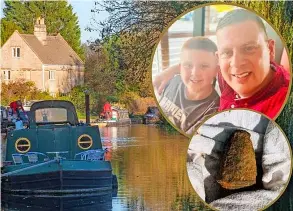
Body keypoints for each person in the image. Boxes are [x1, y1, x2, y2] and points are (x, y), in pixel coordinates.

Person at [153, 9, 290, 119]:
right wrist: (170, 71)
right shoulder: (227, 75)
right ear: (218, 58)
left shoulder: (283, 108)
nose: (236, 64)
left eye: (249, 48)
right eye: (227, 52)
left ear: (270, 49)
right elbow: (201, 65)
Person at [158, 37, 219, 135]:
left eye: (204, 66)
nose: (195, 73)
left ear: (216, 71)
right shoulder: (172, 82)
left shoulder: (212, 111)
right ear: (180, 67)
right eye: (188, 65)